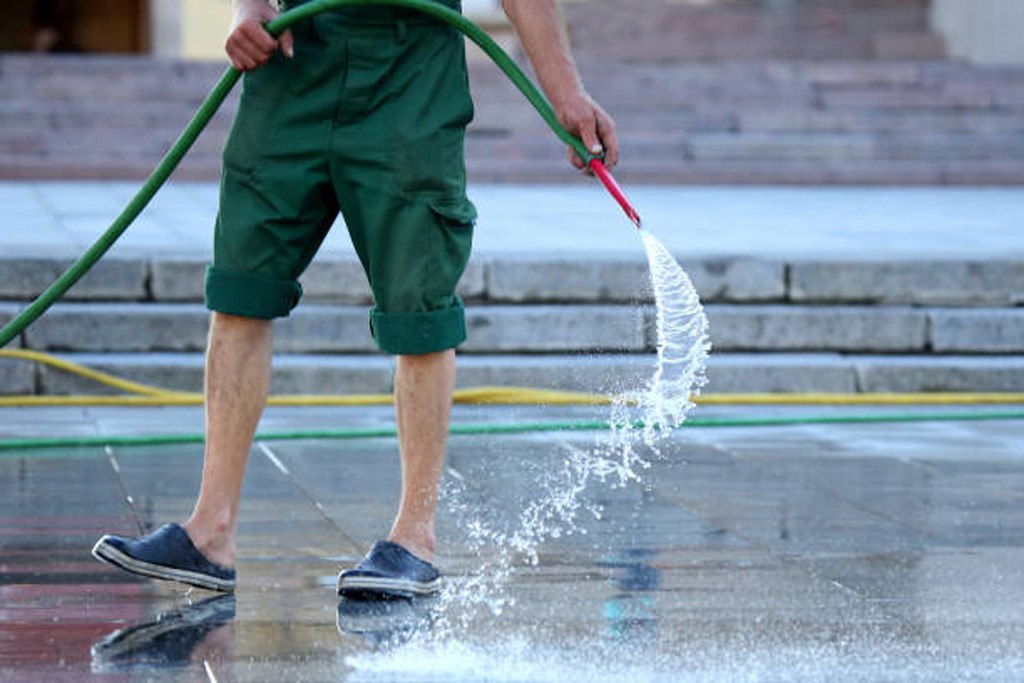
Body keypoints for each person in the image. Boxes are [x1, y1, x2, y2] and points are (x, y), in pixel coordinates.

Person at [92, 0, 618, 599]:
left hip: (410, 69)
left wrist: (566, 94)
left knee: (417, 307)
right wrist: (250, 7)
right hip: (293, 59)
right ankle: (209, 532)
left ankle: (414, 539)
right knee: (241, 286)